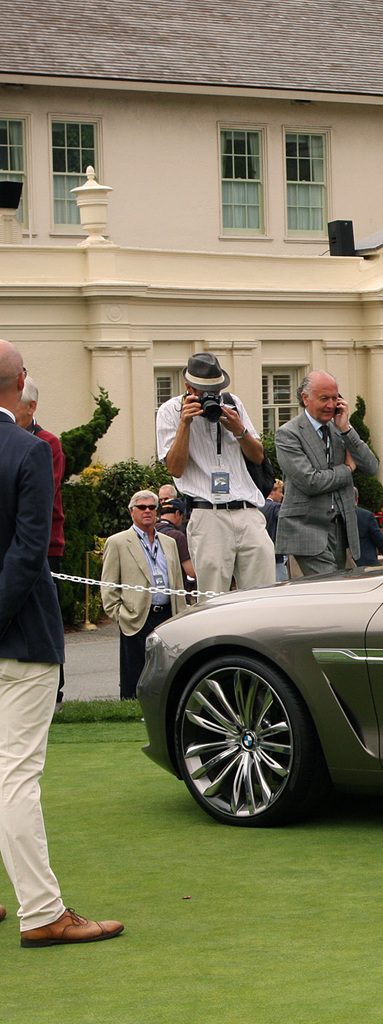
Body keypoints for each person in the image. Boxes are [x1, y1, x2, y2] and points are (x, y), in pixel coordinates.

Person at [0, 337, 122, 946]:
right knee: (17, 775)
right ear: (21, 381)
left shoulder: (30, 447)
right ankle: (43, 912)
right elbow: (28, 554)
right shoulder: (27, 450)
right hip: (20, 637)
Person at [155, 352, 275, 594]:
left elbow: (258, 456)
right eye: (202, 391)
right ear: (188, 387)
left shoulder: (232, 403)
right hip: (208, 513)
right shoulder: (170, 411)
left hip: (247, 510)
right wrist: (185, 424)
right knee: (212, 597)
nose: (211, 397)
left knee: (262, 594)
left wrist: (239, 430)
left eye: (216, 390)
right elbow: (175, 468)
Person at [274, 371, 379, 577]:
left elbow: (371, 467)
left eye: (335, 398)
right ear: (306, 398)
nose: (331, 405)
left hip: (342, 531)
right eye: (324, 399)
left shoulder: (339, 428)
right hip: (307, 531)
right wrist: (347, 470)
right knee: (331, 588)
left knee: (334, 596)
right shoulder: (288, 434)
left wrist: (347, 429)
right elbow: (310, 482)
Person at [101, 490, 187, 700]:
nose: (147, 511)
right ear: (132, 512)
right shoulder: (118, 542)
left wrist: (180, 613)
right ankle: (130, 709)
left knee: (167, 669)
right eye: (142, 507)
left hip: (167, 615)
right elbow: (108, 585)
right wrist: (121, 615)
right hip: (136, 615)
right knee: (135, 672)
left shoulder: (169, 542)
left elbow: (177, 581)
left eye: (151, 507)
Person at [16, 376, 66, 702]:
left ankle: (55, 690)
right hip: (14, 544)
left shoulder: (48, 443)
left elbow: (39, 498)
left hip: (45, 546)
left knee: (45, 617)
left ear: (31, 407)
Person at [155, 496, 196, 593]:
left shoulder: (150, 531)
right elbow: (191, 572)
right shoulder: (177, 536)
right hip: (175, 591)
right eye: (182, 517)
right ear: (177, 514)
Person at [353, 488, 383, 567]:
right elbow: (379, 539)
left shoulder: (335, 516)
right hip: (366, 564)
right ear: (357, 498)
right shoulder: (366, 516)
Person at [261, 479, 287, 581]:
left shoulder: (257, 506)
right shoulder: (276, 507)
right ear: (272, 491)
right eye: (280, 492)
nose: (282, 496)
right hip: (276, 554)